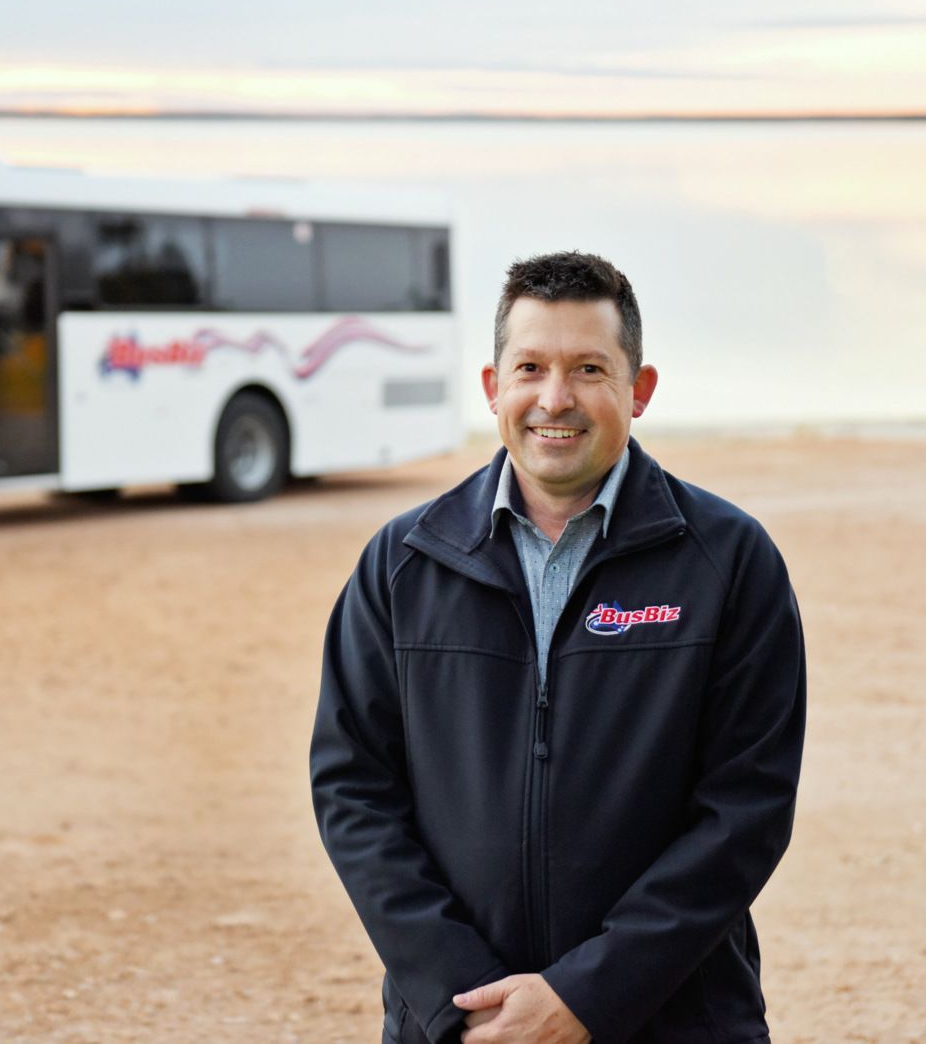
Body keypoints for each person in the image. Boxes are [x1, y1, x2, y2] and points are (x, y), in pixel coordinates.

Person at [310, 251, 805, 1043]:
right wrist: (461, 999)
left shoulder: (728, 561)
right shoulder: (402, 564)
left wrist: (586, 997)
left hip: (675, 1019)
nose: (555, 398)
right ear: (491, 387)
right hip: (460, 1028)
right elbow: (353, 792)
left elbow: (744, 812)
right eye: (531, 367)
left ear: (638, 391)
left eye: (589, 369)